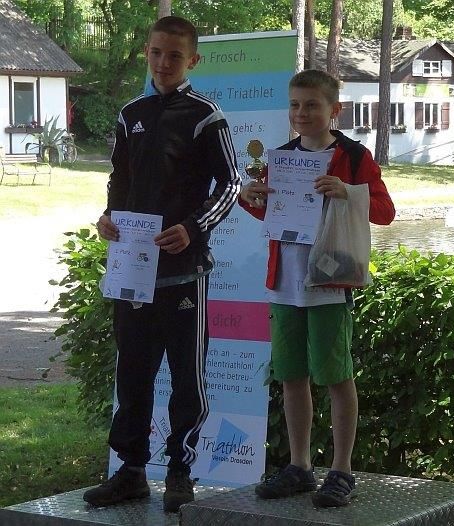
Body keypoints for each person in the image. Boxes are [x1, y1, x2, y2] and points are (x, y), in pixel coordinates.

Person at [83, 16, 241, 513]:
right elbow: (120, 179)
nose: (164, 63)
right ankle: (130, 472)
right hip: (132, 271)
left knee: (186, 378)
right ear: (147, 53)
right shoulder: (131, 114)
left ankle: (180, 471)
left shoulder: (205, 116)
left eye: (175, 55)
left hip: (184, 273)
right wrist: (109, 217)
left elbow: (232, 184)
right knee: (133, 374)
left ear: (193, 60)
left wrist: (193, 228)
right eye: (156, 53)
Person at [239, 69, 395, 507]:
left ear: (334, 110)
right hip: (284, 283)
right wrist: (250, 198)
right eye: (295, 105)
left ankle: (341, 470)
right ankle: (300, 466)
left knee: (336, 377)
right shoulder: (281, 157)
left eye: (311, 105)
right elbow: (275, 216)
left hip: (329, 281)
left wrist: (347, 191)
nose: (301, 113)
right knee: (291, 376)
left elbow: (385, 211)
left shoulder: (354, 156)